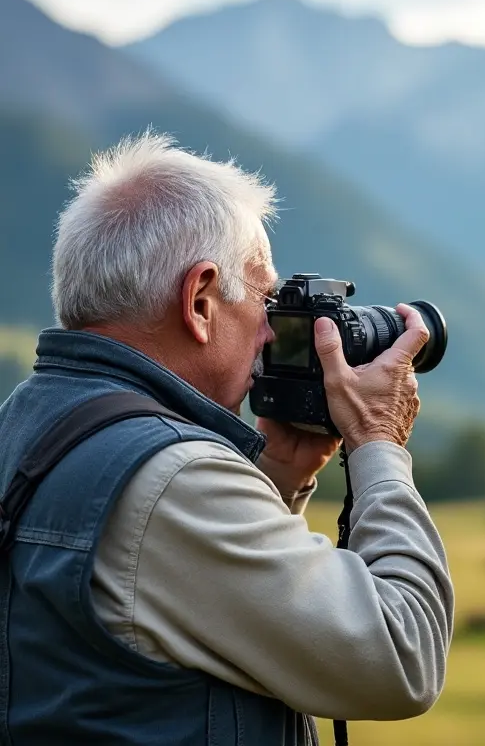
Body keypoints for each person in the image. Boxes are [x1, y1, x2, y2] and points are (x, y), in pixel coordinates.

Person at [0, 131, 454, 744]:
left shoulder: (26, 424)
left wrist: (278, 478)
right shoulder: (172, 482)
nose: (271, 331)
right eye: (266, 297)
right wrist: (379, 444)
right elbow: (403, 657)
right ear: (200, 301)